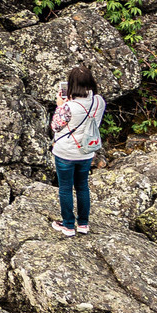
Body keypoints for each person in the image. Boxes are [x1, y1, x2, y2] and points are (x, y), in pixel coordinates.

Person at [51, 62, 106, 237]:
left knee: (65, 188)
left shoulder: (68, 107)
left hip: (65, 152)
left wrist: (60, 105)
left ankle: (68, 225)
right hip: (86, 152)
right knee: (82, 187)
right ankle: (83, 224)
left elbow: (55, 126)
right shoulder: (99, 101)